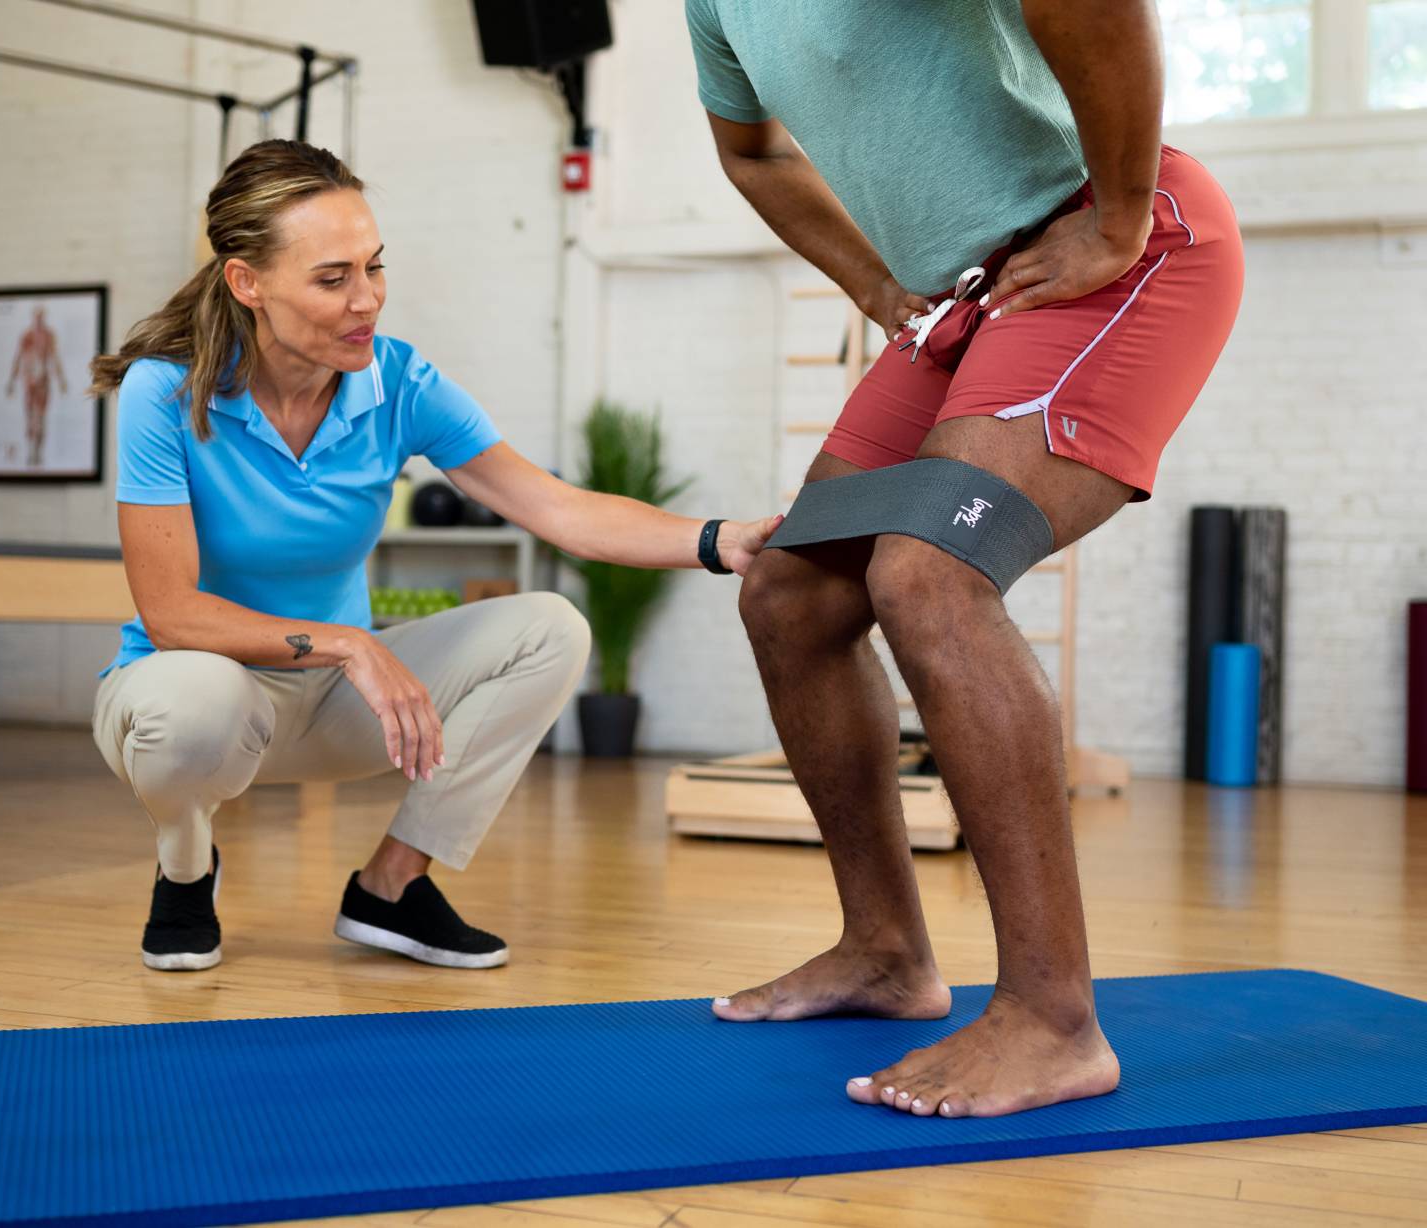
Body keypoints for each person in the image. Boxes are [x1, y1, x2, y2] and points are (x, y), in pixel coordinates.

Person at [686, 0, 1245, 1117]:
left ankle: (1053, 1017)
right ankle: (884, 950)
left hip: (1111, 250)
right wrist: (870, 280)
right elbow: (749, 153)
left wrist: (1120, 215)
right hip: (970, 297)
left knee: (926, 573)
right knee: (791, 593)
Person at [88, 139, 779, 972]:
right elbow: (171, 614)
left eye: (374, 268)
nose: (366, 301)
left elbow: (555, 507)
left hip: (337, 705)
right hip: (196, 698)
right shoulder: (164, 391)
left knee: (550, 628)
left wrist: (720, 540)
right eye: (332, 278)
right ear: (247, 283)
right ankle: (186, 867)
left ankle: (391, 886)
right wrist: (350, 641)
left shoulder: (399, 384)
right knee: (195, 698)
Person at [6, 307, 67, 467]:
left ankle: (38, 454)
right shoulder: (27, 335)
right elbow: (19, 357)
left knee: (40, 417)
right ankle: (31, 452)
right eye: (37, 316)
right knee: (30, 417)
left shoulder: (48, 336)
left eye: (41, 316)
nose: (39, 319)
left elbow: (54, 357)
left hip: (43, 381)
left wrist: (61, 380)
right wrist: (11, 381)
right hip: (29, 381)